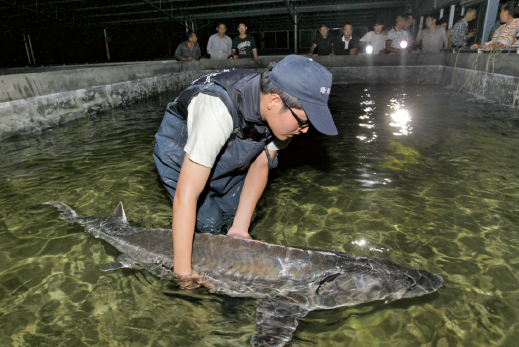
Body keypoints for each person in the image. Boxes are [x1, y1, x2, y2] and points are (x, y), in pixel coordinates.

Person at [153, 55, 337, 287]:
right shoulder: (216, 109)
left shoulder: (282, 121)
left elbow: (261, 164)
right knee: (209, 223)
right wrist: (183, 275)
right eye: (303, 121)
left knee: (233, 217)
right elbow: (185, 196)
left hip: (233, 150)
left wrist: (240, 227)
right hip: (181, 151)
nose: (305, 130)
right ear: (274, 101)